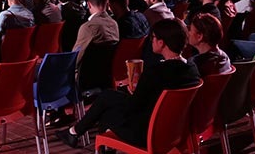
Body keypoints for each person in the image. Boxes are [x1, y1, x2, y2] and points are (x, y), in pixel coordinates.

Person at [56, 18, 201, 149]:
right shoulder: (192, 70)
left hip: (148, 133)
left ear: (162, 43)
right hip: (176, 129)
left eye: (154, 38)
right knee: (108, 99)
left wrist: (134, 91)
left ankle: (75, 133)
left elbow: (134, 107)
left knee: (107, 110)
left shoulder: (156, 72)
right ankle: (74, 133)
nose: (151, 41)